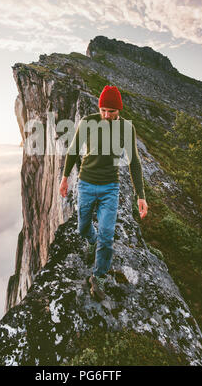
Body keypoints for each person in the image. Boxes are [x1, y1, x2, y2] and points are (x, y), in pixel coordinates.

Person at [59, 85, 148, 301]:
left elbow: (134, 162)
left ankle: (97, 277)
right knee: (82, 229)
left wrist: (141, 196)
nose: (107, 115)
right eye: (103, 110)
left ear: (119, 110)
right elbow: (73, 150)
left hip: (110, 187)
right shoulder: (88, 122)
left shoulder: (127, 129)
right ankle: (92, 241)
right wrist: (64, 178)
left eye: (112, 111)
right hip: (86, 184)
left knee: (107, 235)